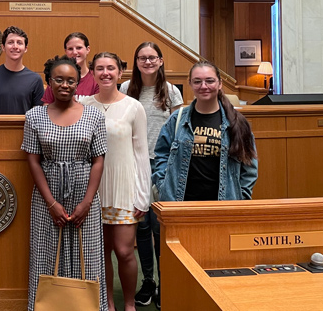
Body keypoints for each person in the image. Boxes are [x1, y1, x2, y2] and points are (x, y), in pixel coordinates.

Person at [22, 55, 108, 311]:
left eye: (71, 80)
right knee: (45, 256)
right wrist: (51, 203)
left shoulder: (93, 115)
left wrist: (87, 203)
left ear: (78, 83)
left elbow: (99, 160)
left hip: (85, 195)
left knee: (88, 258)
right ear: (49, 81)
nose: (65, 85)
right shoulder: (34, 115)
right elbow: (33, 161)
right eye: (58, 79)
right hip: (47, 197)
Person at [81, 52, 150, 311]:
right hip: (93, 190)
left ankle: (129, 304)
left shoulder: (134, 106)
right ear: (93, 72)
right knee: (101, 254)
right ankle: (108, 304)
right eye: (100, 68)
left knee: (124, 251)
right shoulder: (84, 105)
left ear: (120, 72)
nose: (106, 73)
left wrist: (143, 196)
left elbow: (141, 153)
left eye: (111, 68)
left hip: (124, 188)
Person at [119, 42, 183, 309]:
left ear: (160, 60)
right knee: (141, 227)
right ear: (135, 61)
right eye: (142, 58)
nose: (147, 62)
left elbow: (180, 129)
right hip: (134, 164)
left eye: (152, 57)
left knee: (160, 226)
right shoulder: (125, 89)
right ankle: (149, 282)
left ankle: (166, 282)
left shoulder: (171, 91)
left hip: (161, 165)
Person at [152, 60, 258, 201]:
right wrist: (163, 186)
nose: (203, 86)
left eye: (209, 81)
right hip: (180, 204)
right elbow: (161, 155)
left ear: (220, 84)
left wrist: (240, 197)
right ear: (190, 83)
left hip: (224, 206)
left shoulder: (237, 122)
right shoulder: (177, 119)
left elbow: (249, 167)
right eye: (197, 81)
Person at [0, 26, 44, 114]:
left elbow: (38, 116)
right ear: (3, 47)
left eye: (19, 43)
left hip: (24, 128)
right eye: (10, 42)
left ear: (25, 49)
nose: (15, 46)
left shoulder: (35, 79)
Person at [41, 32, 99, 104]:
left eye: (79, 48)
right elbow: (47, 106)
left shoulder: (96, 78)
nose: (74, 52)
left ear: (88, 49)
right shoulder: (56, 78)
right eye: (70, 49)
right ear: (65, 51)